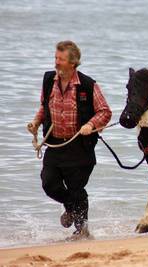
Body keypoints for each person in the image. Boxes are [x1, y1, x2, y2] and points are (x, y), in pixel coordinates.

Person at [27, 40, 112, 240]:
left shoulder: (88, 85)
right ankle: (72, 209)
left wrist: (90, 125)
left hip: (79, 147)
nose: (56, 62)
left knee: (76, 189)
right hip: (55, 144)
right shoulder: (49, 80)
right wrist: (36, 122)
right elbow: (44, 107)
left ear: (73, 63)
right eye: (56, 57)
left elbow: (105, 112)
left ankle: (82, 230)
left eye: (61, 59)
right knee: (49, 183)